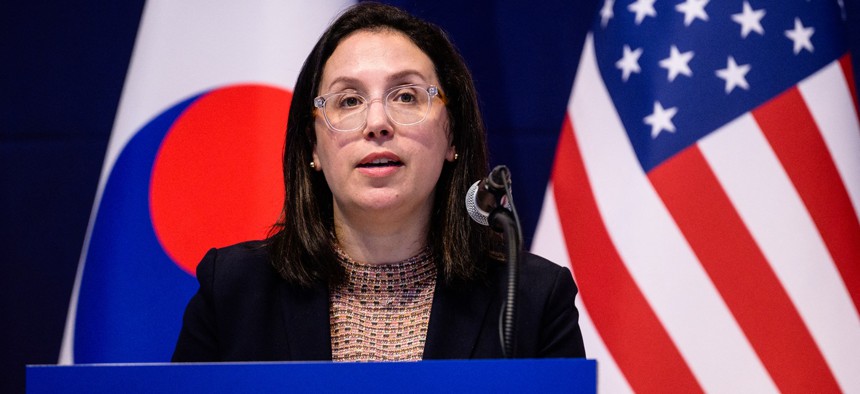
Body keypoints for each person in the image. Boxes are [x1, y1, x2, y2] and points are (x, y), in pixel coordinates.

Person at [172, 2, 585, 362]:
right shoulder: (233, 292)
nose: (377, 124)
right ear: (312, 147)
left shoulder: (533, 299)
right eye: (349, 100)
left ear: (453, 136)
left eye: (406, 96)